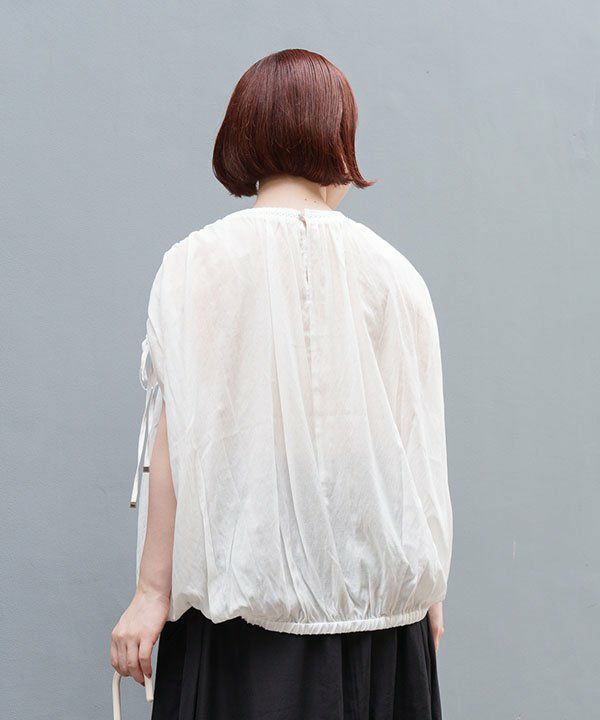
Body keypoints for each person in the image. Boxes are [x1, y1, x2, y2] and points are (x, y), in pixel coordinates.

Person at [110, 48, 453, 720]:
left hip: (241, 627)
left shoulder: (195, 266)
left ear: (243, 135)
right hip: (381, 624)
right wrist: (428, 587)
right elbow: (415, 450)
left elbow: (175, 443)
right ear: (339, 139)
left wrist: (152, 593)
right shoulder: (396, 275)